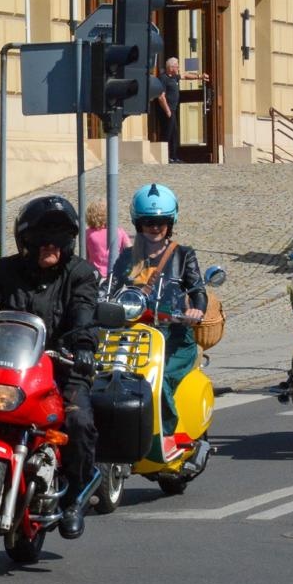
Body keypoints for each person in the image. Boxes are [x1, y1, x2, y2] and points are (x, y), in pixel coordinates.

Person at [0, 195, 99, 539]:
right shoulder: (3, 271)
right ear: (26, 240)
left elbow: (84, 312)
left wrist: (83, 345)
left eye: (59, 238)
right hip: (5, 367)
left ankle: (72, 499)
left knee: (79, 421)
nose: (50, 245)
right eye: (42, 237)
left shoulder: (80, 274)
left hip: (60, 366)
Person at [108, 184, 205, 446]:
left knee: (156, 380)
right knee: (106, 375)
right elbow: (110, 288)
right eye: (148, 221)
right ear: (138, 223)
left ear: (170, 222)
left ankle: (166, 433)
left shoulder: (184, 255)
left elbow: (197, 290)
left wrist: (196, 310)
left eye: (161, 222)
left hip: (173, 336)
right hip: (132, 334)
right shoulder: (128, 257)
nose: (155, 227)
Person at [83, 200, 131, 278]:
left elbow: (86, 256)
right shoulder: (119, 231)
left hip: (95, 274)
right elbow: (130, 250)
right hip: (116, 273)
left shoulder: (88, 233)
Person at [154, 57, 184, 163]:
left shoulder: (175, 77)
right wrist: (167, 111)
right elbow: (161, 97)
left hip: (173, 110)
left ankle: (174, 156)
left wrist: (199, 77)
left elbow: (185, 76)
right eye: (177, 66)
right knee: (167, 133)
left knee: (174, 133)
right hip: (167, 110)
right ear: (171, 67)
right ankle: (165, 156)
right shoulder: (163, 78)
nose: (178, 68)